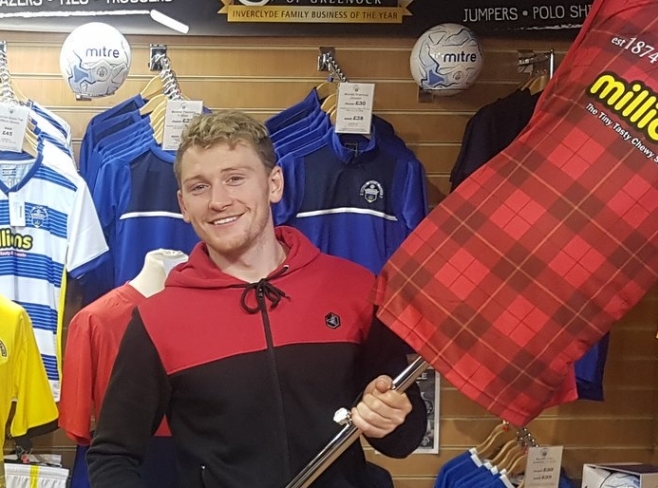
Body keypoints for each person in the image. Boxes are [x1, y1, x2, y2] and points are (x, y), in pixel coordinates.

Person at [87, 111, 426, 488]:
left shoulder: (354, 289)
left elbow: (404, 438)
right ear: (183, 205)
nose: (218, 200)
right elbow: (112, 455)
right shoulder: (158, 320)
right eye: (199, 187)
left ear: (274, 183)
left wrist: (391, 418)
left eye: (235, 178)